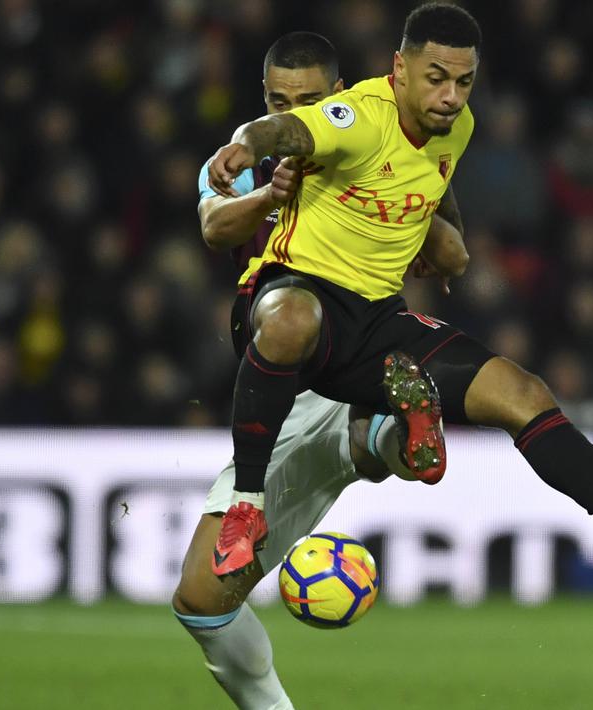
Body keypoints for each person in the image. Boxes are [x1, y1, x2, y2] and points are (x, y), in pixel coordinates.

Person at [204, 3, 593, 581]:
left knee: (520, 390)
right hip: (288, 294)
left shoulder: (455, 127)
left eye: (464, 82)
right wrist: (246, 143)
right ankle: (248, 506)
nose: (452, 95)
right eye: (436, 78)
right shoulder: (355, 114)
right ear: (400, 69)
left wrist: (446, 247)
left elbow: (442, 214)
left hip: (373, 320)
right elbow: (285, 130)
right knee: (294, 317)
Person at [173, 32, 469, 710]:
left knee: (200, 598)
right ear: (264, 105)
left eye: (309, 101)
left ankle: (391, 431)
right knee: (202, 598)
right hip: (296, 389)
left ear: (338, 98)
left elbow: (453, 249)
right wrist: (270, 199)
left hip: (334, 361)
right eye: (279, 102)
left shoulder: (378, 146)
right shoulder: (241, 161)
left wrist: (430, 234)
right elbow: (215, 227)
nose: (293, 114)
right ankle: (389, 436)